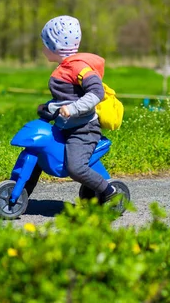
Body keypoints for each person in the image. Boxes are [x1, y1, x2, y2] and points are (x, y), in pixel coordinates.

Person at [38, 15, 119, 203]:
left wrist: (73, 109)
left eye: (45, 44)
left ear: (56, 47)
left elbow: (96, 92)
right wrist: (49, 106)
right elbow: (67, 96)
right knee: (41, 151)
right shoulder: (64, 67)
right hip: (66, 125)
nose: (42, 48)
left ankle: (110, 192)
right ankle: (22, 192)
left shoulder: (80, 68)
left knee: (75, 168)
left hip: (83, 130)